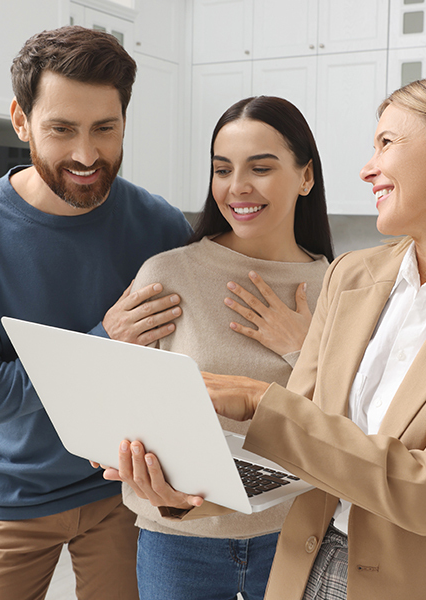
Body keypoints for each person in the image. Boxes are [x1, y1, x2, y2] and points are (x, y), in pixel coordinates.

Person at [110, 72, 426, 599]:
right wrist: (189, 494)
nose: (368, 169)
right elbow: (295, 456)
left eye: (387, 143)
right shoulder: (353, 276)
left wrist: (257, 399)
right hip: (305, 565)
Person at [0, 26, 192, 600]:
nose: (87, 155)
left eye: (105, 128)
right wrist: (103, 340)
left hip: (127, 492)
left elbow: (192, 364)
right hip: (12, 496)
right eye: (61, 129)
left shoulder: (162, 227)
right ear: (22, 121)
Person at [120, 96, 334, 600]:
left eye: (261, 168)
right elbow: (130, 403)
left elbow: (354, 428)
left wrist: (302, 350)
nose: (237, 187)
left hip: (298, 534)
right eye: (223, 169)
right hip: (180, 538)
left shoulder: (338, 285)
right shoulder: (168, 275)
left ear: (306, 178)